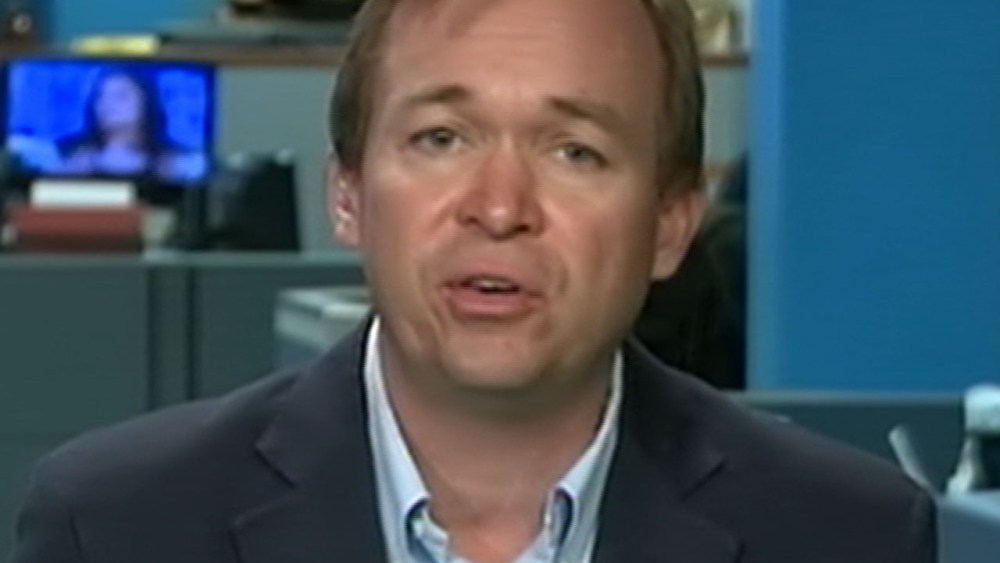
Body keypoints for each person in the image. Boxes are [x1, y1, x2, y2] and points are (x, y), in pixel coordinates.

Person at [10, 1, 935, 562]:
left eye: (575, 151)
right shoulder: (118, 526)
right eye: (441, 138)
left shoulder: (847, 535)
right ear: (347, 195)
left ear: (670, 223)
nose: (499, 207)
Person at [56, 67, 206, 183]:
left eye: (120, 96)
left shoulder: (179, 162)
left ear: (145, 101)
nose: (107, 104)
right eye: (100, 96)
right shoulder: (67, 155)